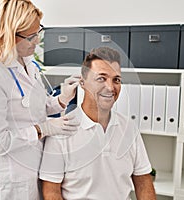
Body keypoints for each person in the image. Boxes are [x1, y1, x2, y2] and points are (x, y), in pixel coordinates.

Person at [0, 0, 80, 199]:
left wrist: (61, 100)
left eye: (38, 32)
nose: (37, 41)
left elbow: (34, 108)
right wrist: (43, 129)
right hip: (12, 176)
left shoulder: (27, 61)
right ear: (9, 34)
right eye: (30, 36)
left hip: (37, 162)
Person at [39, 47, 156, 200]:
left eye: (116, 80)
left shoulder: (128, 128)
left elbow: (143, 181)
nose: (110, 87)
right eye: (101, 78)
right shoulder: (61, 130)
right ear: (82, 82)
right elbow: (51, 191)